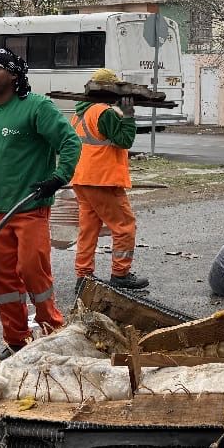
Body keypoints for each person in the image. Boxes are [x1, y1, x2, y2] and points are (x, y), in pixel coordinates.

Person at [0, 48, 81, 356]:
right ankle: (16, 340)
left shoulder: (36, 108)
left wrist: (59, 176)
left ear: (14, 76)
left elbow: (69, 141)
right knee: (1, 279)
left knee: (33, 272)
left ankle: (52, 332)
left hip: (30, 207)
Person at [70, 67, 148, 290]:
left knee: (88, 229)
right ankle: (120, 274)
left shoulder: (79, 113)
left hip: (82, 179)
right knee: (124, 225)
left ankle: (84, 276)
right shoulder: (104, 112)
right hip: (102, 179)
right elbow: (124, 140)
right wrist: (129, 116)